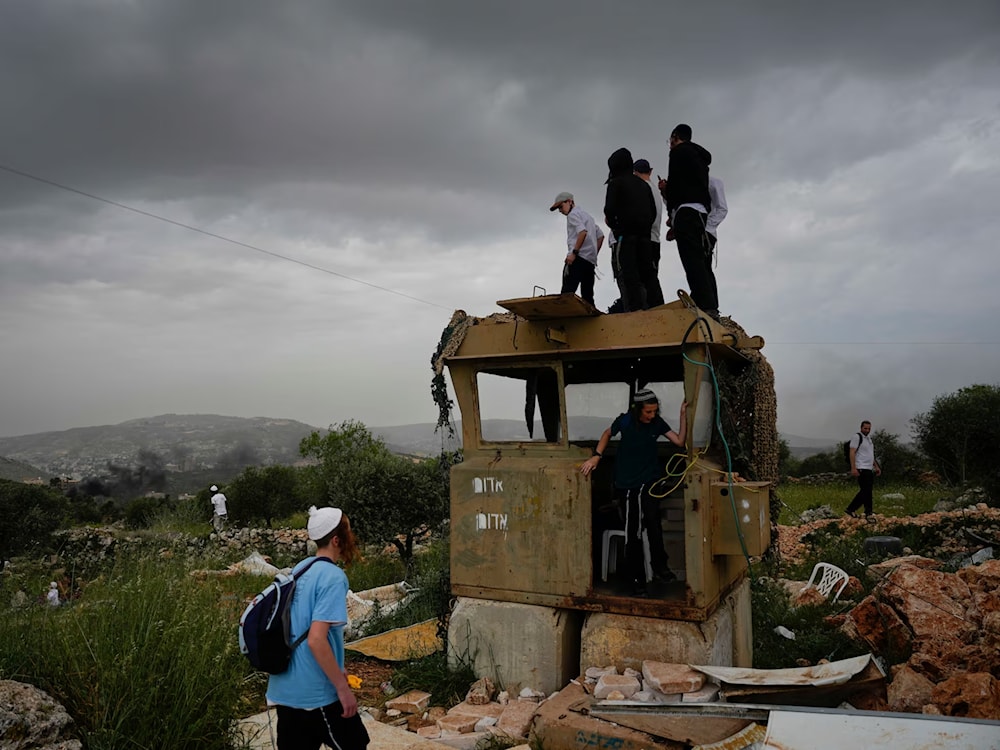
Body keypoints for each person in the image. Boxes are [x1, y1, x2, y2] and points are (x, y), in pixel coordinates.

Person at [266, 505, 369, 750]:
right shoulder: (333, 577)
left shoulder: (300, 569)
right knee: (356, 744)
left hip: (285, 689)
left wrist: (338, 668)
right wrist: (343, 689)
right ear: (336, 540)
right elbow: (315, 639)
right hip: (315, 693)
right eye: (348, 532)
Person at [580, 389, 687, 596]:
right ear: (638, 410)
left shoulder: (657, 423)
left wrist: (683, 416)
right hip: (628, 485)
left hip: (650, 482)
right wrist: (597, 456)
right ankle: (636, 579)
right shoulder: (626, 421)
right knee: (634, 532)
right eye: (648, 412)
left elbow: (679, 442)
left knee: (654, 525)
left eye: (655, 411)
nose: (652, 415)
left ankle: (660, 568)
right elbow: (607, 433)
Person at [658, 124, 718, 319]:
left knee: (691, 262)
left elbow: (675, 187)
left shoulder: (678, 153)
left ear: (675, 137)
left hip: (685, 212)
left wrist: (668, 199)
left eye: (670, 140)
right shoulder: (700, 158)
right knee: (701, 261)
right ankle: (712, 306)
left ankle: (703, 306)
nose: (670, 145)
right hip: (701, 213)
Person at [604, 147, 660, 312]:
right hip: (645, 238)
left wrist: (617, 228)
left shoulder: (616, 183)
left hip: (626, 237)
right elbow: (653, 211)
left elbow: (609, 210)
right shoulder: (644, 185)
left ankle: (634, 311)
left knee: (629, 275)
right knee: (648, 276)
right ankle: (656, 309)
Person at [549, 191, 605, 306]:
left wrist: (574, 253)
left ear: (569, 201)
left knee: (567, 293)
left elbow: (582, 232)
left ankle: (564, 320)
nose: (560, 210)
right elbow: (600, 236)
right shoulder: (588, 216)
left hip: (577, 259)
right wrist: (593, 253)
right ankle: (591, 322)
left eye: (561, 207)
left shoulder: (572, 215)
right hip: (589, 262)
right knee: (588, 296)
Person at [632, 158, 664, 276]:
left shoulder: (641, 188)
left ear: (634, 173)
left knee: (641, 280)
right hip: (655, 238)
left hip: (644, 240)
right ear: (650, 171)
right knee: (652, 279)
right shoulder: (655, 190)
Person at [845, 421, 881, 518]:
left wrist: (876, 466)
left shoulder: (869, 439)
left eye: (869, 429)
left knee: (868, 490)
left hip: (868, 468)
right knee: (865, 490)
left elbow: (870, 455)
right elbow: (852, 452)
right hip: (861, 467)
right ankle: (851, 509)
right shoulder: (857, 437)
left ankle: (868, 511)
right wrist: (853, 468)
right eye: (865, 428)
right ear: (861, 428)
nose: (867, 430)